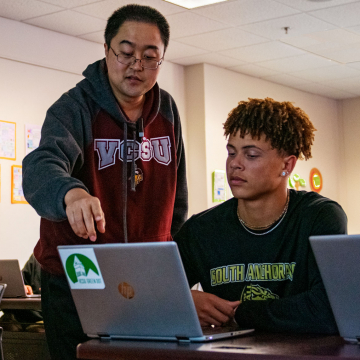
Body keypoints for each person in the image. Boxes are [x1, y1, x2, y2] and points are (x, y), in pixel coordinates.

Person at [22, 4, 187, 359]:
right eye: (126, 53)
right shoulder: (75, 107)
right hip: (80, 279)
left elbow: (179, 198)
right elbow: (42, 165)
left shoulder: (167, 111)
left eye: (150, 57)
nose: (137, 66)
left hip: (145, 278)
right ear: (107, 50)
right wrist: (72, 193)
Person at [175, 97, 347, 334]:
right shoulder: (201, 229)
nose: (235, 164)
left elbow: (329, 309)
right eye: (231, 152)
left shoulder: (319, 216)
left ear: (287, 165)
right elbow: (152, 295)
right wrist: (183, 302)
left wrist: (241, 314)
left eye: (251, 155)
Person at [0, 254, 43, 332]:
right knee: (5, 324)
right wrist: (23, 288)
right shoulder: (37, 257)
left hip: (41, 316)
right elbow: (21, 283)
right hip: (21, 313)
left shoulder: (65, 259)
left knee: (38, 329)